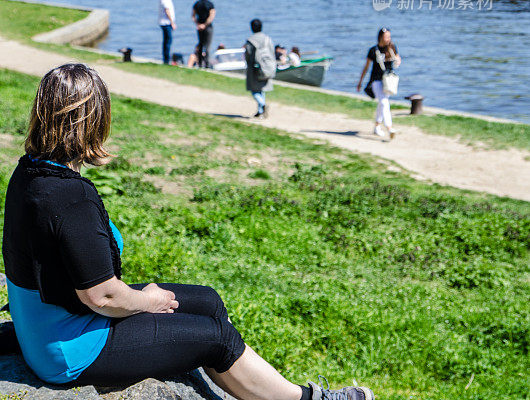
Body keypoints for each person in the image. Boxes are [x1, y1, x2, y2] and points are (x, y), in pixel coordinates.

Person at [2, 63, 373, 400]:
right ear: (93, 120)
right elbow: (102, 297)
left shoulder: (30, 172)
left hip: (56, 324)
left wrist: (146, 300)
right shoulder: (70, 198)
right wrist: (149, 301)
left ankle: (257, 386)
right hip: (70, 347)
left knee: (209, 301)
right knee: (216, 338)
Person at [357, 27, 401, 140]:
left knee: (382, 104)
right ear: (381, 37)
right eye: (387, 36)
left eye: (389, 36)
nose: (388, 39)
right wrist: (360, 82)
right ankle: (389, 127)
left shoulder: (392, 48)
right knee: (384, 102)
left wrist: (397, 61)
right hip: (376, 80)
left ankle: (377, 126)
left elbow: (398, 58)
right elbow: (366, 67)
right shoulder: (373, 50)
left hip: (388, 81)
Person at [245, 19, 276, 118]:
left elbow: (248, 55)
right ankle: (260, 111)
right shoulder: (267, 39)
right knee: (262, 89)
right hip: (267, 67)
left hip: (255, 69)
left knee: (254, 90)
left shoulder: (251, 41)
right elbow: (272, 52)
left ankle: (262, 105)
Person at [192, 0, 216, 68]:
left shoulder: (197, 4)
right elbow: (211, 16)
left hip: (199, 27)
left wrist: (198, 24)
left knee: (201, 45)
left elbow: (193, 16)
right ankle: (207, 65)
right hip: (208, 27)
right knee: (208, 46)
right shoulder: (210, 4)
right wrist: (205, 25)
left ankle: (200, 64)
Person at [159, 0, 176, 65]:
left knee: (166, 41)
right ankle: (166, 60)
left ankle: (166, 59)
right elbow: (167, 10)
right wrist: (172, 22)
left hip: (166, 23)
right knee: (168, 41)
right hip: (166, 23)